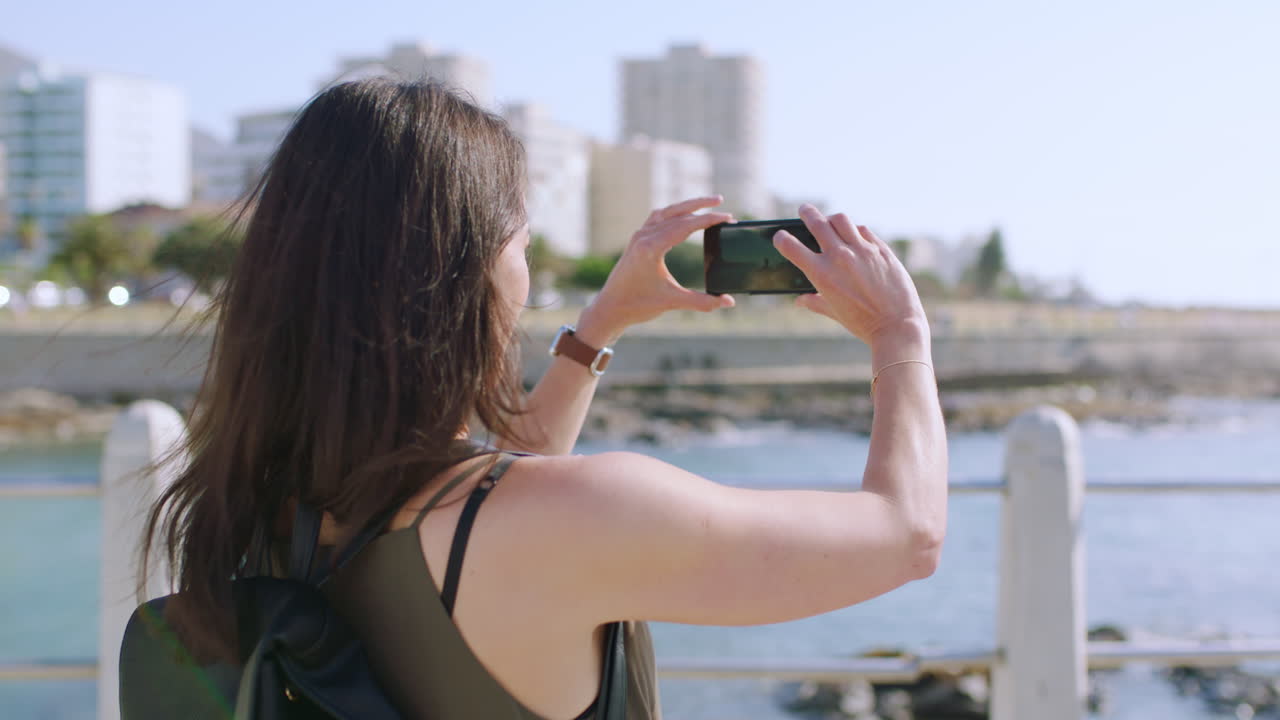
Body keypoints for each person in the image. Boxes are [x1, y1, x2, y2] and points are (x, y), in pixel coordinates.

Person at [143, 78, 947, 720]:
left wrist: (603, 324)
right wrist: (900, 336)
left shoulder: (255, 508)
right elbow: (906, 536)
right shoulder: (577, 517)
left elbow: (495, 497)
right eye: (522, 242)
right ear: (470, 274)